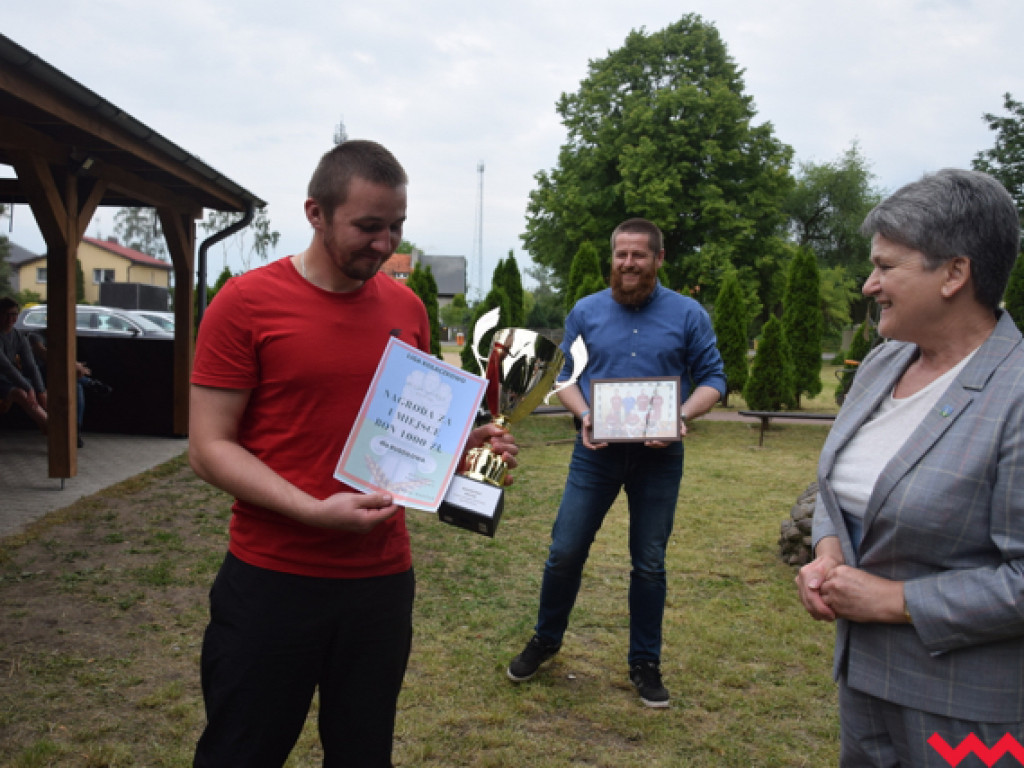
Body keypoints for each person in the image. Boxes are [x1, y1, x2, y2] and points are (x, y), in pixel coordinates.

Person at [188, 140, 518, 767]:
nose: (385, 243)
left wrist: (459, 446)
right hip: (272, 579)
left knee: (363, 754)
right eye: (368, 226)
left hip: (380, 583)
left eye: (396, 227)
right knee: (241, 751)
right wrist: (312, 511)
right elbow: (208, 449)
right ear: (316, 213)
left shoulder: (407, 309)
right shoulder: (245, 304)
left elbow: (404, 437)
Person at [795, 169, 1024, 765]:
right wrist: (826, 553)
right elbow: (837, 485)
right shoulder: (883, 363)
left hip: (969, 713)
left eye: (886, 266)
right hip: (864, 682)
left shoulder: (1018, 393)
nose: (870, 285)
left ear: (955, 273)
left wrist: (895, 600)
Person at [507, 218, 726, 708]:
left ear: (658, 259)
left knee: (649, 563)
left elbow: (714, 380)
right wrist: (585, 415)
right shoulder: (586, 312)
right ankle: (546, 639)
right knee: (565, 550)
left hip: (659, 460)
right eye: (621, 255)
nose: (628, 263)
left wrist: (680, 416)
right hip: (595, 456)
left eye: (639, 255)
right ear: (613, 258)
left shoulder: (689, 314)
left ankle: (644, 663)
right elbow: (566, 377)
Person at [27, 333, 112, 448]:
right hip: (41, 375)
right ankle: (90, 383)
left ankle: (75, 431)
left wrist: (74, 365)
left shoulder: (62, 337)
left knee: (76, 387)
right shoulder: (36, 335)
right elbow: (43, 353)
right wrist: (74, 365)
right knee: (63, 370)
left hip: (60, 375)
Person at [0, 296, 47, 432]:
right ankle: (52, 427)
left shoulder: (19, 336)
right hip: (4, 379)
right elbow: (6, 367)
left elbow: (31, 365)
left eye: (14, 314)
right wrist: (29, 388)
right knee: (21, 393)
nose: (10, 319)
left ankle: (61, 427)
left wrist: (40, 390)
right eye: (5, 314)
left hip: (10, 379)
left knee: (45, 393)